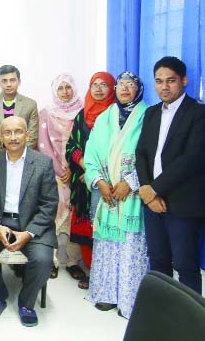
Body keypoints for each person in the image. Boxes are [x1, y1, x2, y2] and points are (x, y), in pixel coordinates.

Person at [0, 116, 58, 327]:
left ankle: (26, 303)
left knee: (43, 260)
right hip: (0, 222)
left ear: (27, 135)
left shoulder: (42, 163)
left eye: (18, 131)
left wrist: (28, 233)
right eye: (7, 133)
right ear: (1, 137)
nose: (13, 137)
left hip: (32, 223)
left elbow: (49, 205)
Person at [136, 56, 205, 294]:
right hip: (152, 204)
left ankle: (191, 327)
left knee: (186, 266)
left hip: (183, 204)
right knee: (158, 263)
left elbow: (192, 159)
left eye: (171, 80)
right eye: (158, 81)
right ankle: (161, 318)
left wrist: (154, 189)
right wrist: (146, 190)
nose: (164, 87)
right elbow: (141, 153)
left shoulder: (198, 113)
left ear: (184, 81)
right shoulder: (152, 113)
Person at [84, 72, 148, 318]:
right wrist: (100, 182)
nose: (124, 88)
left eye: (130, 85)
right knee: (108, 245)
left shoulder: (148, 116)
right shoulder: (104, 118)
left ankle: (130, 300)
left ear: (138, 89)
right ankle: (107, 295)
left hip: (133, 194)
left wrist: (130, 182)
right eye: (121, 84)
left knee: (131, 248)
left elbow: (152, 156)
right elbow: (91, 153)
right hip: (107, 192)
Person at [65, 72, 115, 290]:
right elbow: (72, 146)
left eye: (104, 85)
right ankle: (93, 271)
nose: (99, 89)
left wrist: (96, 173)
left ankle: (105, 273)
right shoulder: (82, 114)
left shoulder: (117, 115)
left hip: (109, 181)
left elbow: (118, 151)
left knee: (104, 226)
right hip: (84, 178)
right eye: (94, 84)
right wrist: (87, 168)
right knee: (85, 227)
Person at [37, 74, 84, 281]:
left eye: (68, 87)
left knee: (76, 216)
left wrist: (74, 168)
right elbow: (42, 145)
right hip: (54, 175)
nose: (65, 92)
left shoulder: (84, 111)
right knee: (53, 215)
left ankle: (73, 262)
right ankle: (52, 260)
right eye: (61, 88)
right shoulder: (46, 113)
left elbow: (86, 143)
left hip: (79, 173)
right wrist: (59, 169)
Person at [0, 65, 39, 151]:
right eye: (4, 81)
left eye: (12, 80)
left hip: (22, 155)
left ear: (19, 82)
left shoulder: (30, 104)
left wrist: (19, 154)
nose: (8, 84)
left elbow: (32, 136)